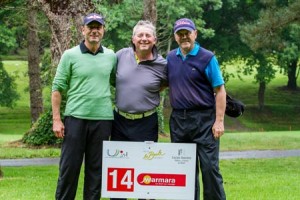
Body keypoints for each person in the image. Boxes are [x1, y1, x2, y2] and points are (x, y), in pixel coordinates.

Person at [52, 13, 117, 200]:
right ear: (83, 30)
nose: (94, 31)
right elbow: (57, 88)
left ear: (103, 30)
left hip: (103, 120)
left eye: (98, 27)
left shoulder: (111, 56)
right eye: (91, 27)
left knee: (96, 171)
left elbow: (117, 81)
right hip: (76, 118)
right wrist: (57, 120)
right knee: (69, 168)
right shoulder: (70, 55)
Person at [166, 18, 227, 200]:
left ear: (195, 34)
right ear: (175, 36)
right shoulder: (170, 58)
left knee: (209, 169)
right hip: (179, 121)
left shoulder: (207, 58)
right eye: (180, 33)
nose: (184, 37)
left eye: (187, 33)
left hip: (204, 121)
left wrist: (219, 121)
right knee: (184, 171)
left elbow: (220, 90)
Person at [110, 20, 167, 200]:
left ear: (154, 40)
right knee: (119, 173)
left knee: (146, 173)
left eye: (147, 35)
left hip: (146, 123)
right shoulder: (120, 56)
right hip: (119, 122)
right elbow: (113, 79)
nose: (144, 39)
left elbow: (164, 84)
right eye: (140, 35)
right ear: (133, 39)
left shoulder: (162, 65)